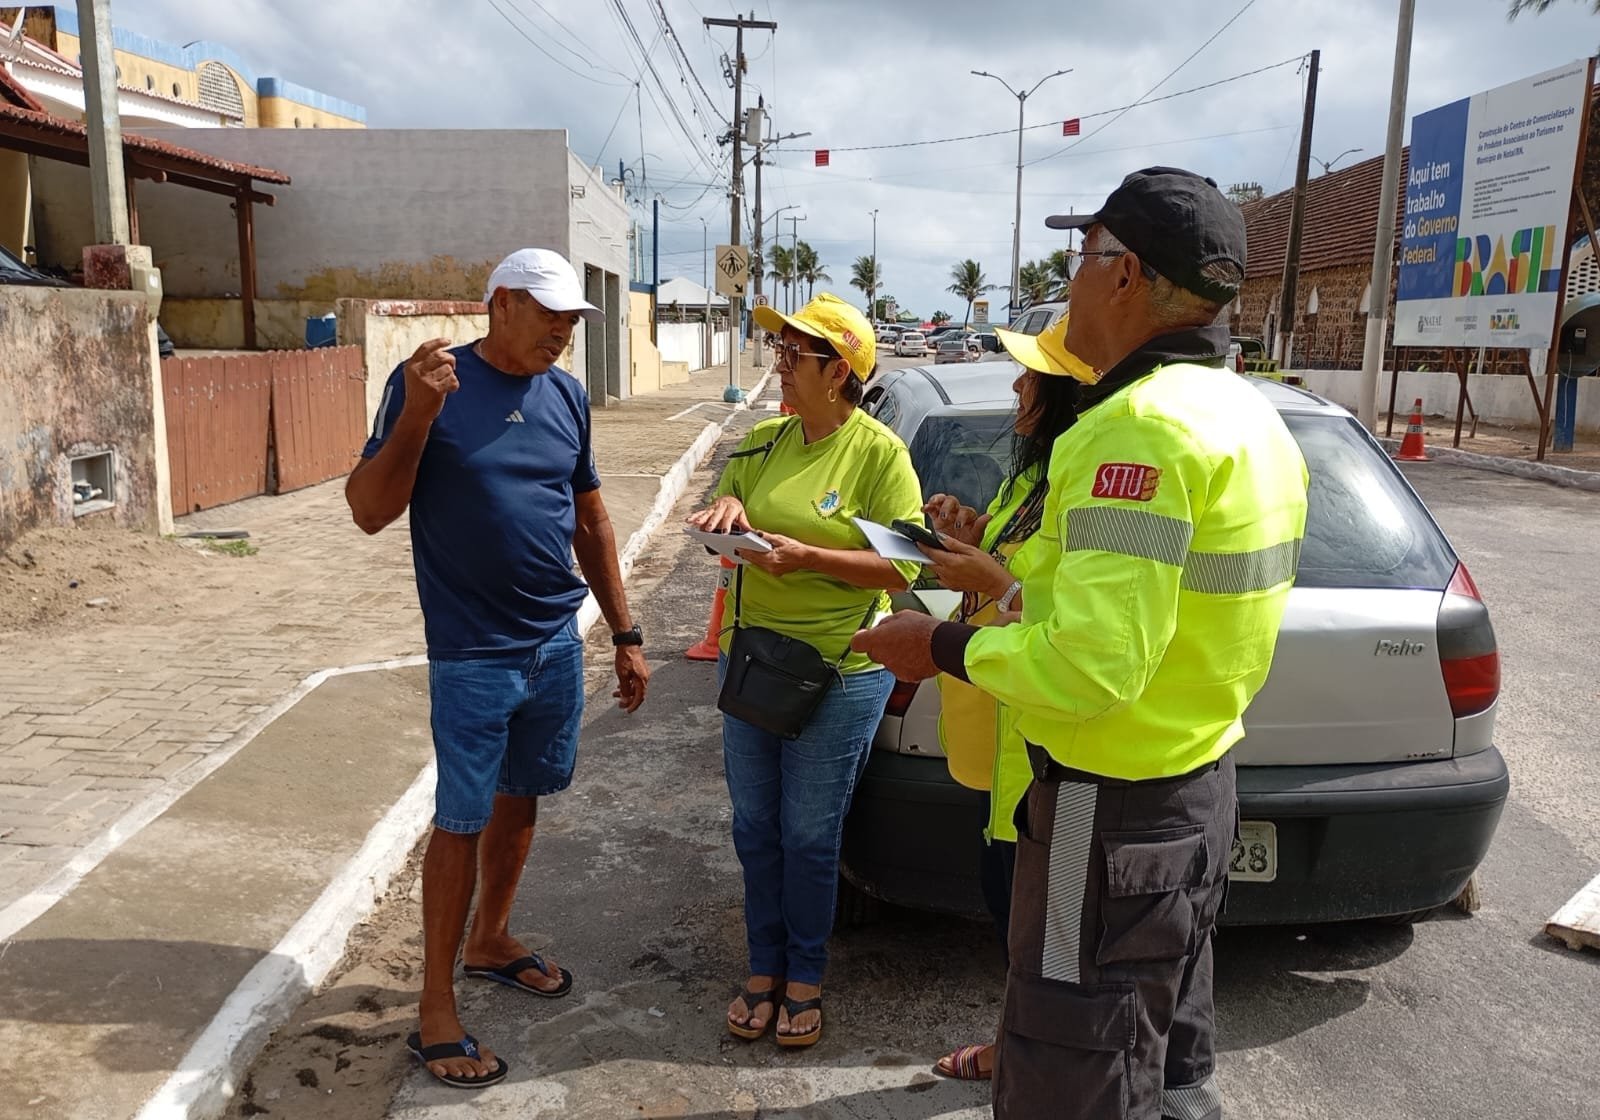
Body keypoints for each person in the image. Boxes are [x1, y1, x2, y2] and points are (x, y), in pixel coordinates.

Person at [852, 167, 1310, 1120]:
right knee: (1168, 1065)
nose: (1069, 284)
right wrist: (1009, 588)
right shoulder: (1249, 415)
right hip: (1197, 792)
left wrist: (939, 646)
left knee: (1072, 1074)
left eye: (1081, 256)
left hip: (1107, 817)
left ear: (1125, 274)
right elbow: (1138, 612)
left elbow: (1091, 667)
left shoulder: (1135, 430)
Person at [346, 247, 651, 1090]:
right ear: (502, 304)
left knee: (524, 795)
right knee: (460, 818)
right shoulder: (430, 384)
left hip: (555, 641)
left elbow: (590, 519)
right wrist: (416, 416)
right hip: (472, 651)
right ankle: (435, 1007)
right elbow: (369, 510)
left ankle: (490, 938)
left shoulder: (566, 395)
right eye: (550, 313)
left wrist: (624, 632)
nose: (563, 331)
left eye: (572, 319)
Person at [686, 293, 923, 1048]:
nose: (781, 364)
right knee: (755, 826)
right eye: (781, 350)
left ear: (839, 370)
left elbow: (903, 568)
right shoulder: (762, 441)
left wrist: (809, 557)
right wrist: (726, 510)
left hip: (841, 672)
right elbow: (723, 502)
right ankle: (763, 967)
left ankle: (805, 977)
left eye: (796, 353)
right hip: (754, 661)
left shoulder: (879, 454)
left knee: (810, 835)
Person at [922, 316, 1088, 1084]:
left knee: (1047, 932)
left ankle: (1031, 1063)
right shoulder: (1031, 479)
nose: (1017, 386)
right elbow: (1015, 562)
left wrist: (989, 577)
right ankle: (1017, 1046)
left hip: (1044, 754)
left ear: (1065, 396)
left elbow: (1062, 616)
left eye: (1031, 377)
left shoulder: (1084, 487)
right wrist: (970, 531)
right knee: (1011, 916)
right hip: (998, 738)